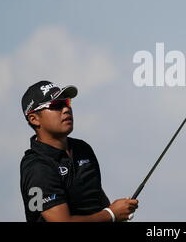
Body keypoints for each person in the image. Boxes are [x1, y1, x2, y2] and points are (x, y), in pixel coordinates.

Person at [20, 80, 138, 222]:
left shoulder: (82, 149)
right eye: (56, 105)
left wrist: (117, 214)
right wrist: (112, 214)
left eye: (67, 103)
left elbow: (97, 201)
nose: (66, 109)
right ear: (34, 119)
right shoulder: (37, 167)